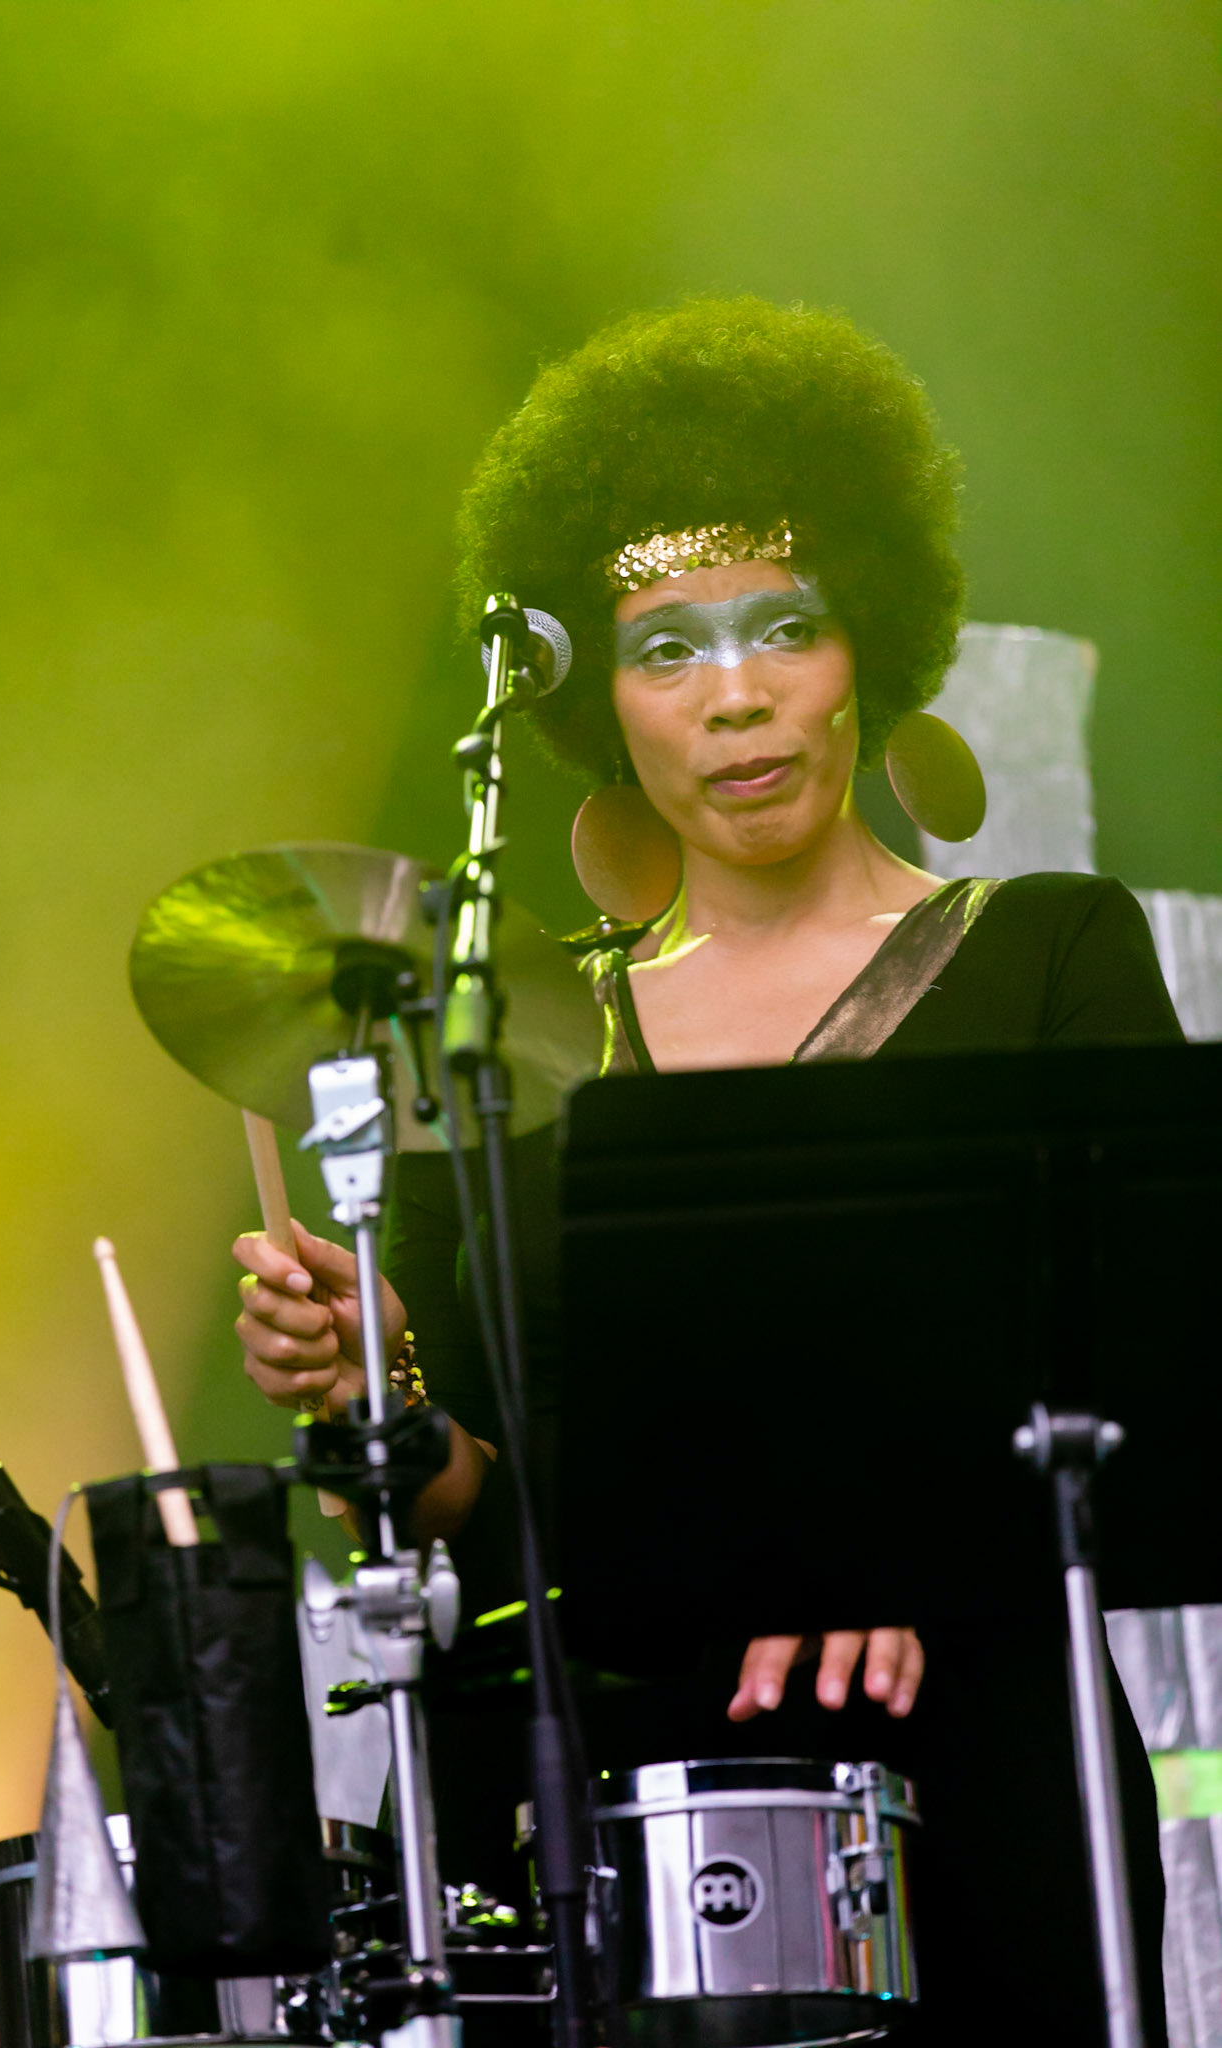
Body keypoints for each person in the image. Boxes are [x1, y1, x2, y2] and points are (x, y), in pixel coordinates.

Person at [232, 300, 1181, 2044]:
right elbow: (473, 1514)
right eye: (665, 648)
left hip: (980, 1773)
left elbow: (1142, 1380)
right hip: (613, 1810)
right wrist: (376, 1391)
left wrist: (911, 1563)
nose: (735, 695)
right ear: (598, 700)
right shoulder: (502, 1041)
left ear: (867, 643)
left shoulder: (1049, 951)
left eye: (785, 627)